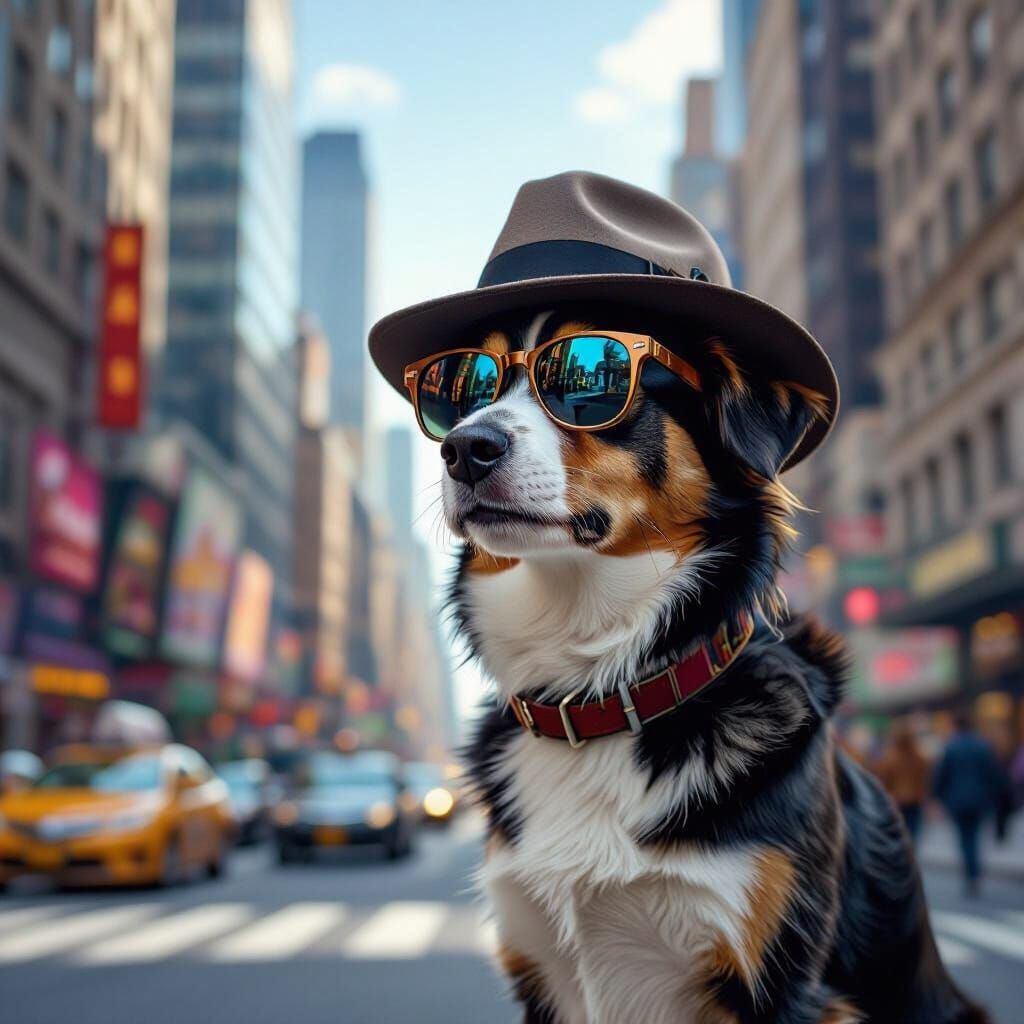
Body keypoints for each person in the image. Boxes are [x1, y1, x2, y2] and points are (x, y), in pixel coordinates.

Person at [932, 708, 1009, 897]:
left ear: (956, 726)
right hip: (980, 800)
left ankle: (971, 872)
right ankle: (974, 871)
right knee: (974, 835)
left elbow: (941, 775)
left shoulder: (951, 747)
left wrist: (936, 797)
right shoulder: (982, 746)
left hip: (957, 800)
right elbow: (993, 773)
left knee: (964, 838)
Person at [873, 720, 931, 844]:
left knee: (897, 836)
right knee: (913, 835)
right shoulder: (920, 757)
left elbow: (882, 781)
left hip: (895, 801)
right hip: (915, 801)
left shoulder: (889, 757)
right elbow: (925, 780)